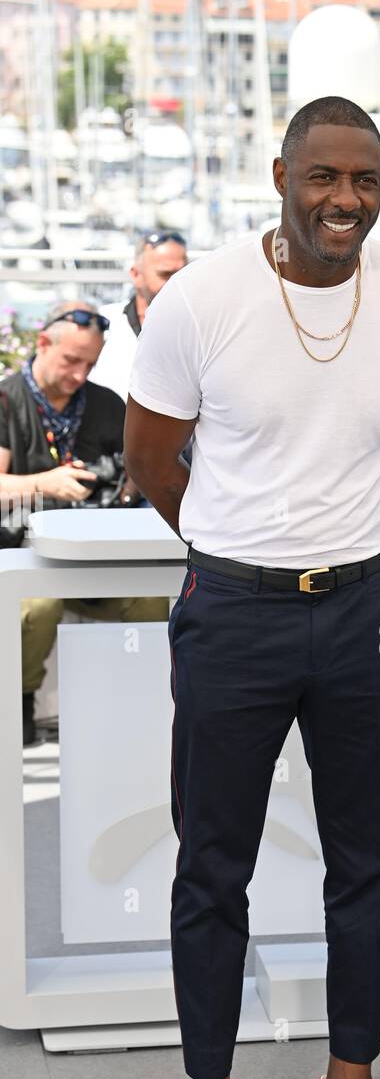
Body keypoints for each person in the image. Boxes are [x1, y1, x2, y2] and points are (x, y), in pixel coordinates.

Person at [124, 96, 380, 1079]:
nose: (344, 200)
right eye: (322, 177)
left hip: (364, 608)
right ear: (280, 174)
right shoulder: (202, 300)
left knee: (374, 856)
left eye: (363, 180)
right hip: (231, 611)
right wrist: (242, 555)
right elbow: (151, 458)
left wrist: (335, 549)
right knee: (211, 864)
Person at [0, 300, 167, 745]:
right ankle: (21, 705)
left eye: (89, 364)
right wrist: (48, 482)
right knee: (36, 607)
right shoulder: (8, 400)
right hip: (28, 555)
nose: (79, 375)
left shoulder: (105, 404)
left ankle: (142, 703)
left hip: (99, 556)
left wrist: (123, 490)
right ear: (41, 344)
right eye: (71, 360)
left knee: (151, 600)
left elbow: (137, 474)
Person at [89, 231, 188, 403]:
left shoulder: (202, 330)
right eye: (165, 274)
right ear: (136, 275)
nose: (177, 283)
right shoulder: (103, 322)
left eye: (183, 274)